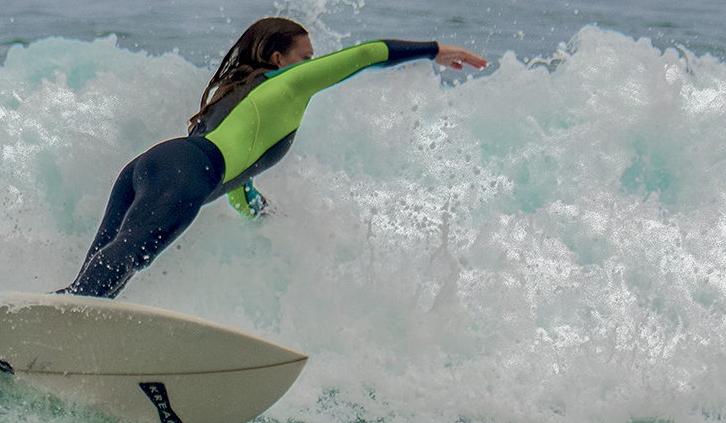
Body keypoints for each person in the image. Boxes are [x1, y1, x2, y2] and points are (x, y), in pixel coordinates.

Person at [56, 17, 487, 298]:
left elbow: (238, 188)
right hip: (186, 171)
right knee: (126, 258)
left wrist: (268, 219)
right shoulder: (289, 85)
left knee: (104, 274)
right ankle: (67, 320)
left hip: (151, 168)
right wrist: (433, 49)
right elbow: (363, 56)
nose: (311, 65)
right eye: (306, 58)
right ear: (280, 59)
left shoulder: (235, 102)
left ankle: (60, 325)